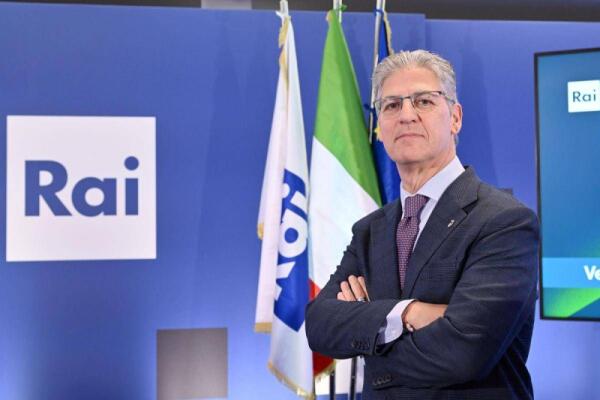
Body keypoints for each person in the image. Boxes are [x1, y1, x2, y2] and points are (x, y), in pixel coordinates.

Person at [305, 50, 539, 399]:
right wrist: (409, 313)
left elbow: (464, 352)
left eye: (424, 101)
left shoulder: (504, 222)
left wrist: (370, 332)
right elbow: (320, 326)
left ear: (455, 118)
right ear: (380, 128)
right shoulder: (369, 230)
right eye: (391, 105)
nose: (406, 115)